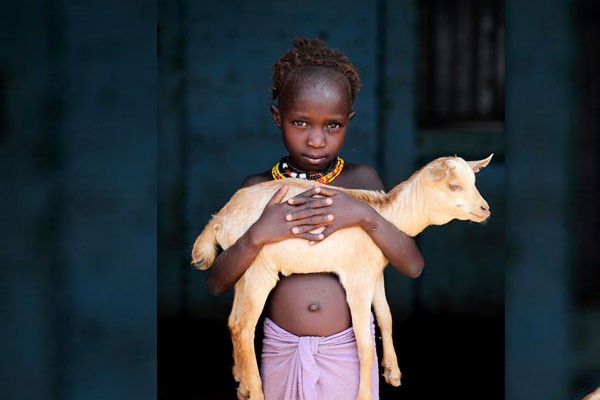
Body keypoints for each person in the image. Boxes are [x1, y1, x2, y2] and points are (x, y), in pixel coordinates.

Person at [205, 37, 424, 400]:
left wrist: (363, 214)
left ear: (348, 122)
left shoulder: (362, 183)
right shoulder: (258, 190)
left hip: (350, 350)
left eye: (332, 126)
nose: (317, 140)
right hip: (282, 349)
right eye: (301, 123)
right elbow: (216, 283)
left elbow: (412, 264)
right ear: (278, 117)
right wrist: (257, 235)